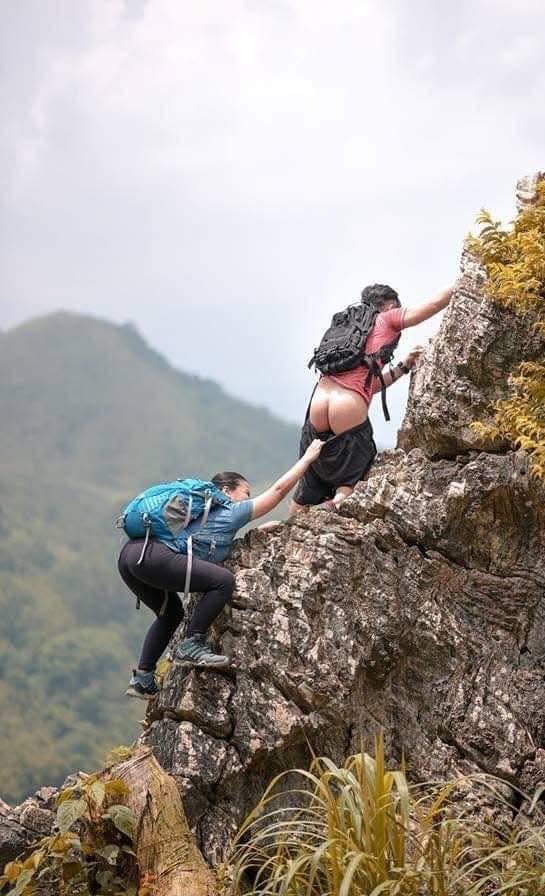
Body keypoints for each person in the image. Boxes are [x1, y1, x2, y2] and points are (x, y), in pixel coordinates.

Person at [119, 438, 324, 698]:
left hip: (130, 556)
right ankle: (191, 644)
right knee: (223, 581)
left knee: (171, 615)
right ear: (226, 491)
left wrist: (258, 533)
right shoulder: (228, 510)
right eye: (245, 492)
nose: (247, 498)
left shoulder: (202, 516)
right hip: (153, 556)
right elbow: (278, 491)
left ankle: (143, 679)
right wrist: (307, 459)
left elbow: (206, 546)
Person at [291, 282, 454, 513]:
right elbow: (434, 304)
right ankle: (335, 504)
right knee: (355, 471)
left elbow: (368, 386)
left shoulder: (347, 326)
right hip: (348, 407)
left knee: (310, 477)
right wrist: (467, 278)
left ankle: (293, 519)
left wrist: (403, 367)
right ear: (390, 305)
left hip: (318, 402)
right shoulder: (387, 318)